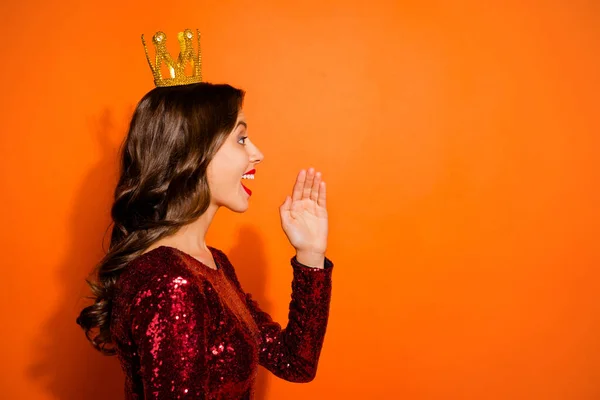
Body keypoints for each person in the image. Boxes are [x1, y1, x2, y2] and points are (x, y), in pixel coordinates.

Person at [76, 29, 334, 399]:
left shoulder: (212, 265)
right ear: (192, 154)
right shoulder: (171, 284)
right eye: (241, 139)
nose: (257, 153)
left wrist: (310, 256)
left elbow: (295, 362)